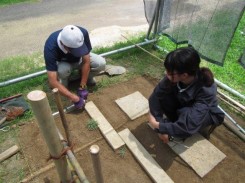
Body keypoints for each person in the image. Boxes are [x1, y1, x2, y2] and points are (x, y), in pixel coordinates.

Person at [148, 47, 224, 143]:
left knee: (185, 114)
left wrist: (157, 125)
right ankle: (174, 125)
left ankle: (200, 128)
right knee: (163, 98)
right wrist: (159, 124)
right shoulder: (174, 76)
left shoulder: (206, 89)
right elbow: (155, 97)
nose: (166, 73)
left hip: (205, 113)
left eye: (169, 72)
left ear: (184, 75)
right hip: (184, 103)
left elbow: (188, 126)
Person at [44, 25, 106, 109]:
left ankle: (85, 77)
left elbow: (86, 61)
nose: (79, 51)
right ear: (63, 44)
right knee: (62, 71)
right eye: (75, 50)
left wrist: (82, 86)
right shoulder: (50, 47)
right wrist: (74, 98)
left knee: (100, 63)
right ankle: (65, 82)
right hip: (64, 63)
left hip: (80, 59)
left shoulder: (82, 33)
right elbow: (52, 81)